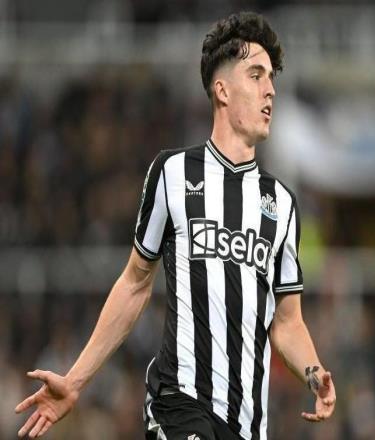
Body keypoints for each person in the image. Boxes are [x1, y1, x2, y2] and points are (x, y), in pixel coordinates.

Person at [15, 11, 335, 440]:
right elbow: (135, 283)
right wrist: (75, 380)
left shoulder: (281, 203)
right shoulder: (173, 173)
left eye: (271, 78)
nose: (270, 90)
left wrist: (314, 373)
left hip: (248, 426)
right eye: (256, 75)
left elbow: (287, 321)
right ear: (222, 90)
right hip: (179, 405)